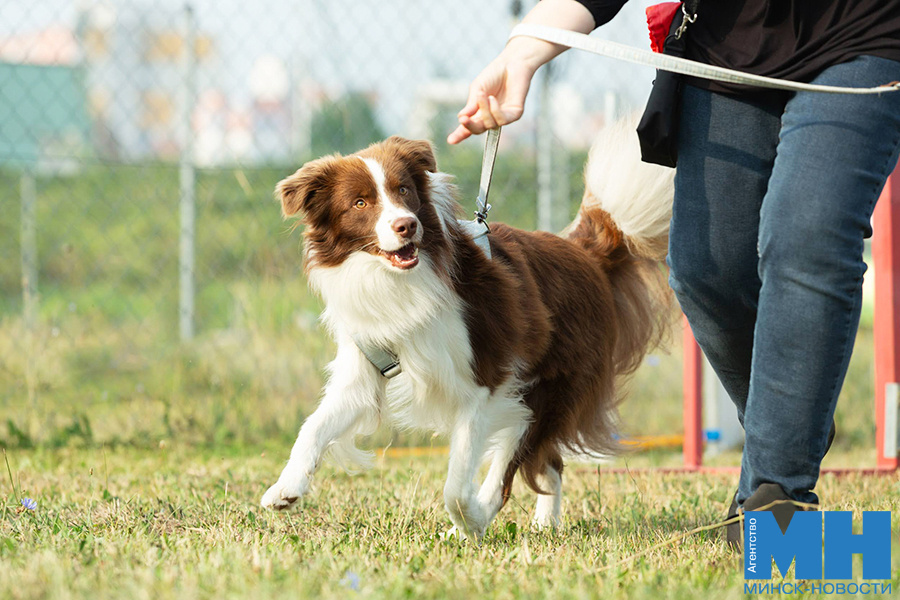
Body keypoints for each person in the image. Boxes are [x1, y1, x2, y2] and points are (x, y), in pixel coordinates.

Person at [448, 0, 900, 545]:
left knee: (808, 237)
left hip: (866, 35)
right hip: (732, 48)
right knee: (704, 269)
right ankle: (792, 419)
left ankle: (780, 495)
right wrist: (521, 54)